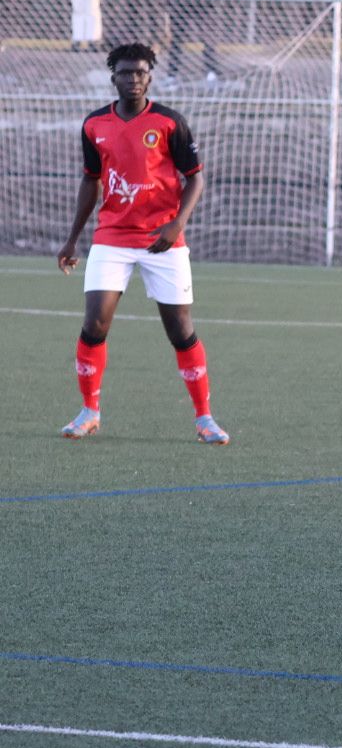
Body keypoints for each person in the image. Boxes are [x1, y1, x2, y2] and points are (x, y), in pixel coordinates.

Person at [56, 43, 229, 446]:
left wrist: (175, 225)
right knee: (94, 323)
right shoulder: (94, 125)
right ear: (112, 76)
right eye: (125, 72)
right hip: (112, 236)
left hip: (163, 240)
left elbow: (196, 178)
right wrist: (72, 238)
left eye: (140, 72)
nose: (133, 79)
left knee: (180, 331)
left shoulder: (170, 122)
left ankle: (204, 418)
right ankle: (89, 411)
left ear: (150, 75)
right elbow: (90, 180)